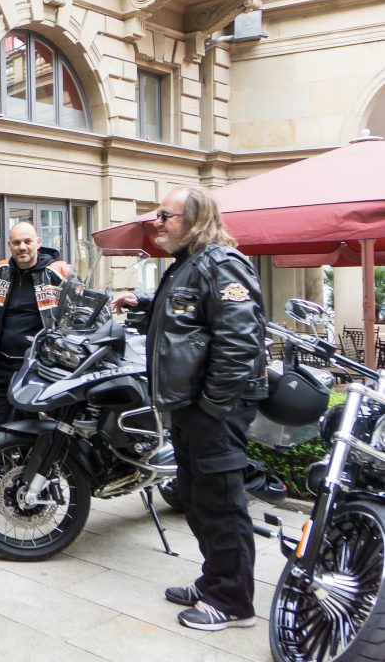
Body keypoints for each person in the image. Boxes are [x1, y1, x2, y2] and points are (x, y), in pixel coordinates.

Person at [112, 185, 266, 632]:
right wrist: (141, 306)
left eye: (166, 216)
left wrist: (214, 405)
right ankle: (214, 579)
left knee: (220, 502)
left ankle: (233, 602)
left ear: (196, 220)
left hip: (212, 409)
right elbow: (183, 323)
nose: (157, 223)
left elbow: (239, 343)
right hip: (190, 405)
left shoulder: (221, 264)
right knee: (197, 499)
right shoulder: (186, 265)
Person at [0, 222, 71, 438]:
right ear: (9, 246)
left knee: (31, 425)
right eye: (17, 242)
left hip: (37, 366)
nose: (22, 247)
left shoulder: (57, 273)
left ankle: (28, 470)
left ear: (38, 242)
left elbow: (75, 315)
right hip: (0, 362)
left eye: (28, 241)